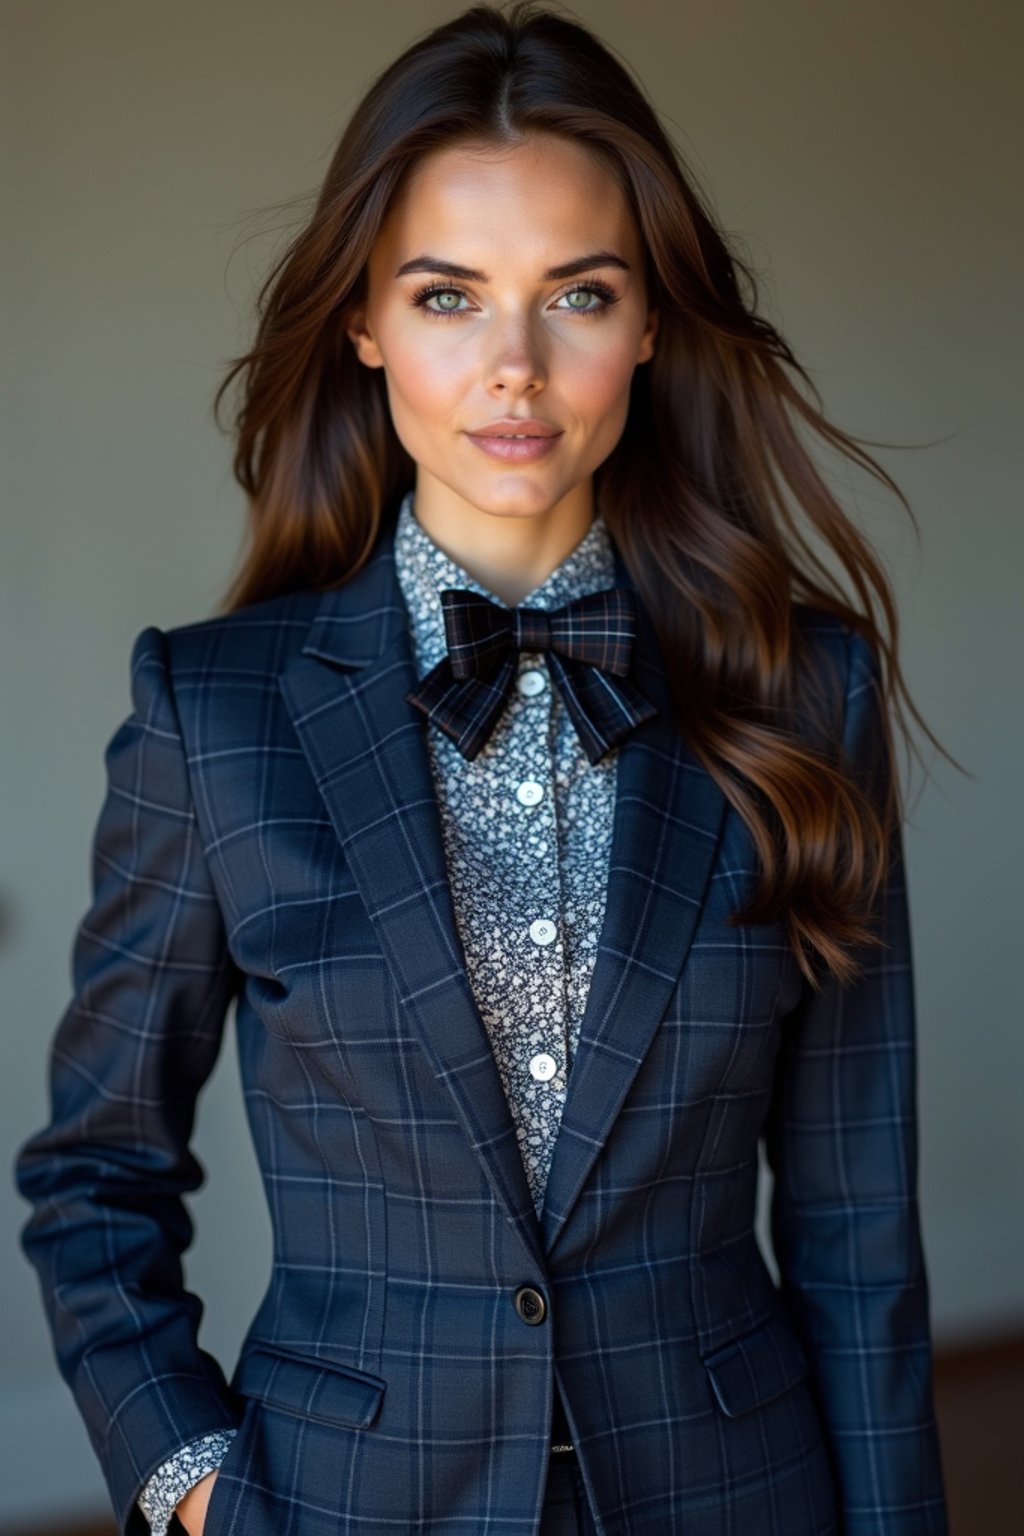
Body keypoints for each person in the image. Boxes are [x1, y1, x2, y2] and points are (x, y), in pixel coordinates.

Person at [14, 4, 954, 1533]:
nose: (515, 366)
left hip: (734, 1495)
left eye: (576, 294)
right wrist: (197, 1491)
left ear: (650, 322)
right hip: (344, 1505)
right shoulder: (214, 713)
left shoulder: (807, 690)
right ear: (364, 322)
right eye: (450, 296)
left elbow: (857, 1230)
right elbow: (93, 1177)